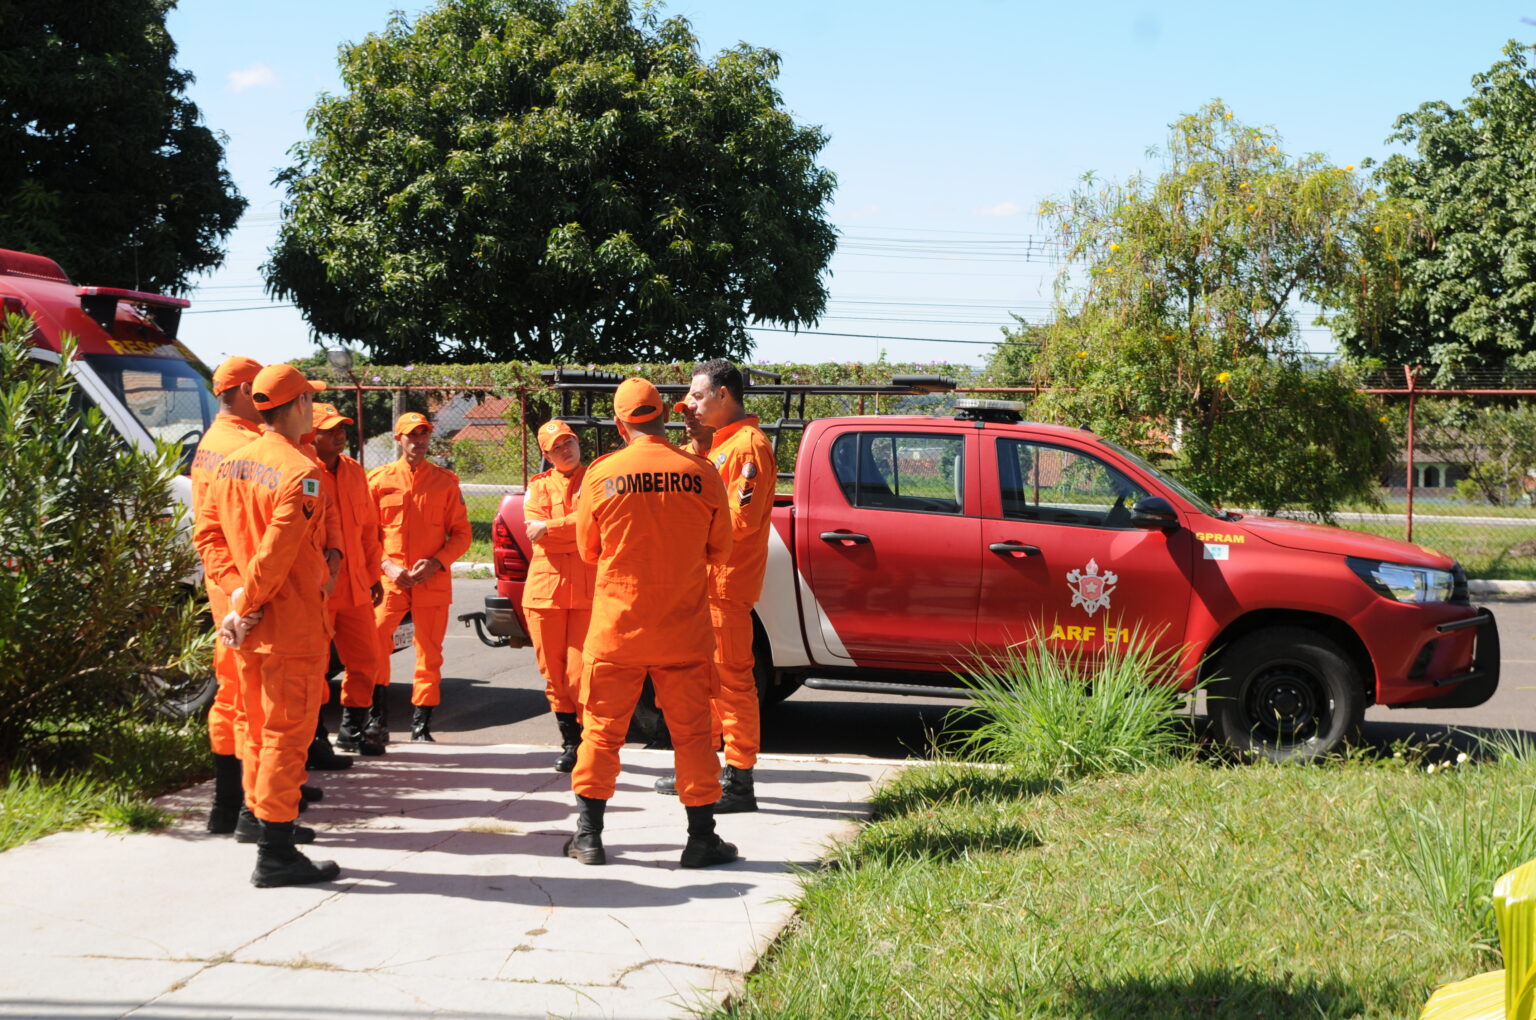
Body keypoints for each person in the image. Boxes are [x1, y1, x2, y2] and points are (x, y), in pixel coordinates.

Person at [565, 377, 736, 868]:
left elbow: (588, 550)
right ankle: (701, 839)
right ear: (665, 415)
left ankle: (590, 837)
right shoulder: (700, 472)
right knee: (694, 735)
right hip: (682, 630)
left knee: (600, 733)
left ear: (620, 425)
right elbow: (720, 549)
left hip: (617, 630)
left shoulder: (600, 475)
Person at [193, 364, 340, 888]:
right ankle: (276, 850)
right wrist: (246, 600)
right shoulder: (303, 472)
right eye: (310, 401)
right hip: (288, 625)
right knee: (285, 735)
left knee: (256, 727)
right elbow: (277, 556)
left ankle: (260, 822)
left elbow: (207, 536)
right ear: (298, 405)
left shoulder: (232, 463)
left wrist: (234, 595)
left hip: (249, 626)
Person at [662, 359, 777, 812]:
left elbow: (739, 522)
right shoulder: (717, 445)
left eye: (698, 396)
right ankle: (703, 771)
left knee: (731, 681)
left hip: (725, 583)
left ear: (724, 395)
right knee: (703, 680)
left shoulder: (747, 448)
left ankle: (740, 779)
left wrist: (686, 530)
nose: (691, 404)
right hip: (703, 582)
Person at [188, 355, 264, 833]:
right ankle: (247, 808)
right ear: (239, 392)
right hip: (244, 590)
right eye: (257, 390)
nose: (264, 400)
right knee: (248, 699)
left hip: (226, 588)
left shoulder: (211, 444)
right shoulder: (242, 447)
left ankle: (230, 804)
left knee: (233, 694)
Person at [368, 412, 472, 741]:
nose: (419, 440)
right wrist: (387, 566)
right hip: (391, 579)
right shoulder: (379, 481)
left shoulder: (445, 482)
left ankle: (421, 725)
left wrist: (437, 563)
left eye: (424, 434)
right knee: (375, 642)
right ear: (398, 439)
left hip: (432, 580)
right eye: (412, 435)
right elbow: (366, 536)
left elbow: (462, 535)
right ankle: (375, 718)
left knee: (430, 651)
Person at [310, 402, 387, 756]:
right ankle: (314, 735)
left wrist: (374, 575)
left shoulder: (355, 471)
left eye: (342, 429)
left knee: (366, 659)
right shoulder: (304, 472)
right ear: (312, 435)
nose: (340, 435)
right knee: (315, 665)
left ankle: (351, 729)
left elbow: (369, 530)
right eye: (331, 430)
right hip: (319, 590)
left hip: (356, 586)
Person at [523, 419, 595, 772]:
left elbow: (593, 523)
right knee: (553, 672)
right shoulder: (537, 488)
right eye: (557, 447)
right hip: (544, 594)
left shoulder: (596, 479)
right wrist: (572, 527)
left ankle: (586, 741)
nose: (565, 450)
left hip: (587, 593)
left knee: (582, 674)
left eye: (569, 443)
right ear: (546, 455)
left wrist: (551, 527)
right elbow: (534, 533)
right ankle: (569, 742)